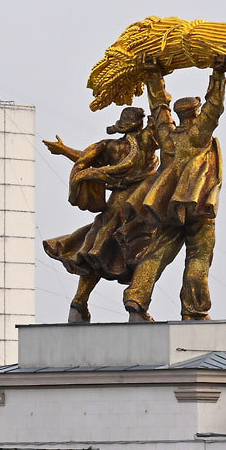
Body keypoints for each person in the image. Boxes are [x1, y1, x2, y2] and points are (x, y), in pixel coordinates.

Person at [122, 55, 226, 321]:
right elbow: (215, 106)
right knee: (198, 256)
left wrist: (153, 76)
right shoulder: (199, 134)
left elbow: (158, 109)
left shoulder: (168, 137)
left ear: (179, 114)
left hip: (169, 210)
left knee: (156, 252)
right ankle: (194, 311)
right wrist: (218, 75)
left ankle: (136, 298)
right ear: (196, 113)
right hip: (198, 208)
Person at [43, 106, 159, 322]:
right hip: (139, 202)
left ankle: (79, 302)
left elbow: (86, 158)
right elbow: (163, 127)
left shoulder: (112, 146)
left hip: (116, 203)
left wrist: (63, 150)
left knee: (97, 251)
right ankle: (136, 306)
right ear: (140, 124)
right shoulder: (146, 141)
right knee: (146, 251)